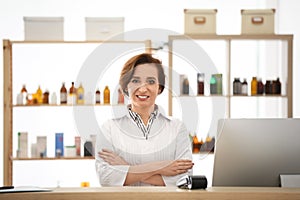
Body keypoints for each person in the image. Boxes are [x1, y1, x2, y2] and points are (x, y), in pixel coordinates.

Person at [95, 53, 193, 186]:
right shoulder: (109, 128)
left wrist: (126, 167)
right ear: (125, 86)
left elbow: (184, 178)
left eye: (151, 81)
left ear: (159, 88)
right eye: (135, 81)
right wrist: (160, 167)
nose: (143, 88)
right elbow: (106, 178)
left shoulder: (177, 127)